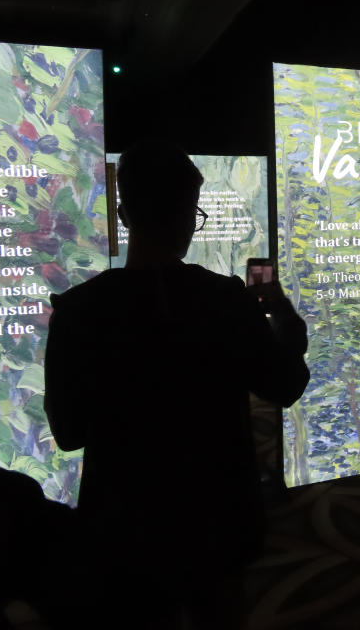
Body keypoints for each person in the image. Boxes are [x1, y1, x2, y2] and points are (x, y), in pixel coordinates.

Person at [44, 143, 309, 627]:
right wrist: (285, 319)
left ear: (124, 214)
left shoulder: (79, 310)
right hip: (218, 520)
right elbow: (287, 384)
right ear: (189, 216)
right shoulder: (226, 301)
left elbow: (68, 432)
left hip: (125, 529)